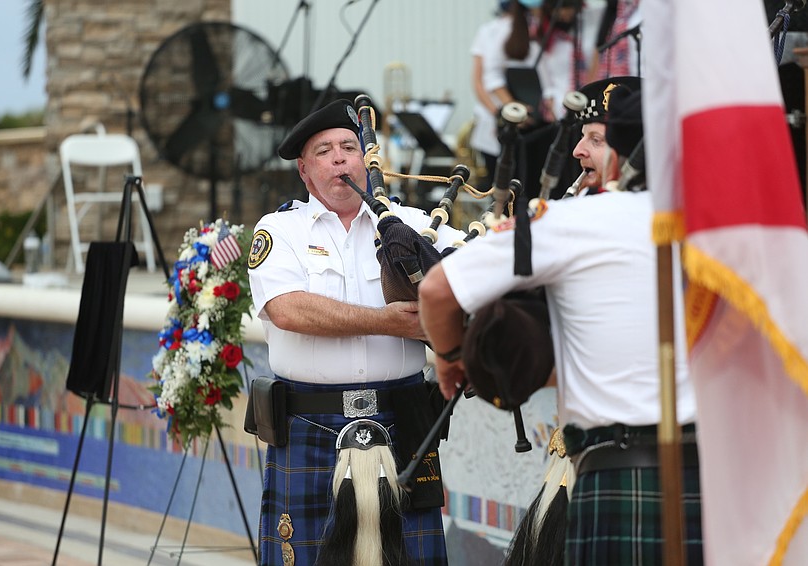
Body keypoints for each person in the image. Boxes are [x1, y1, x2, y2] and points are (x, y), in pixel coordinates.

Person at [417, 79, 704, 564]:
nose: (577, 150)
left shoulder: (571, 223)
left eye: (595, 139)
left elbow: (435, 290)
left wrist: (449, 360)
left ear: (622, 153)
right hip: (709, 475)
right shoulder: (717, 224)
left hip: (615, 475)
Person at [247, 99, 463, 566]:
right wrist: (386, 321)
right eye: (325, 150)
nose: (341, 157)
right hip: (309, 428)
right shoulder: (278, 230)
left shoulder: (416, 227)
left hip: (403, 424)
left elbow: (472, 281)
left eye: (351, 146)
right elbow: (287, 310)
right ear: (304, 171)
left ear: (371, 161)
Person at [469, 0, 542, 188]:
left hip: (532, 125)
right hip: (498, 123)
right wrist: (503, 113)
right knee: (500, 187)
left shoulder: (539, 28)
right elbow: (481, 81)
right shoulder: (492, 30)